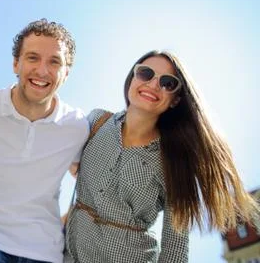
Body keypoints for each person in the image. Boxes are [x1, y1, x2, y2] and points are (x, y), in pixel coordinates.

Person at [64, 50, 260, 262]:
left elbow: (175, 248)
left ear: (175, 100)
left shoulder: (176, 164)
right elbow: (53, 152)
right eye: (146, 73)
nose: (154, 84)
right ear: (132, 78)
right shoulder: (97, 121)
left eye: (168, 82)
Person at [0, 19, 89, 263]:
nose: (42, 70)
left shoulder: (76, 126)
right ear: (15, 63)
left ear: (66, 73)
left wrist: (72, 217)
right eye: (32, 58)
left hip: (45, 249)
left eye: (54, 62)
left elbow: (92, 182)